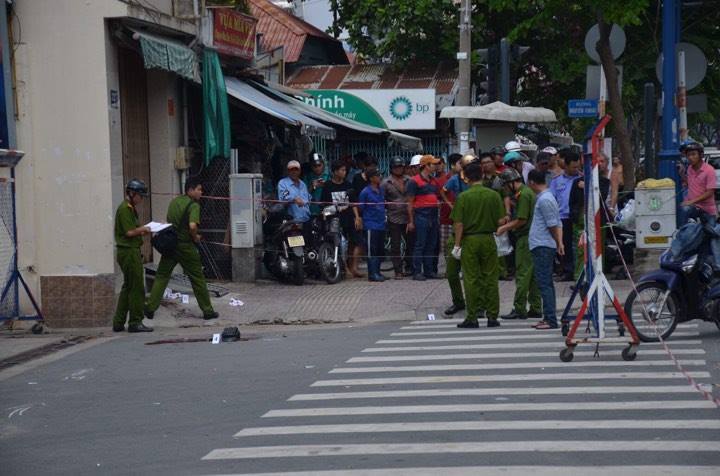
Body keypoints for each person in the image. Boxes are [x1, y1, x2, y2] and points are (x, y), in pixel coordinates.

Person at [145, 178, 219, 321]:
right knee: (197, 278)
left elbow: (169, 222)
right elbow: (192, 226)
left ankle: (150, 308)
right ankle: (208, 311)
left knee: (161, 276)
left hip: (171, 246)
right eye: (198, 189)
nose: (201, 192)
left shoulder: (174, 202)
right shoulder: (194, 206)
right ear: (190, 190)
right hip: (186, 247)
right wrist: (195, 236)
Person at [451, 161, 506, 328]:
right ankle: (492, 316)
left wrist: (457, 245)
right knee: (490, 277)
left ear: (466, 178)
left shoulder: (463, 197)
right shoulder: (493, 195)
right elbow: (501, 220)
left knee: (471, 278)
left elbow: (459, 224)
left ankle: (473, 316)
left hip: (470, 240)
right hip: (489, 239)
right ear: (482, 175)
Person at [497, 168, 542, 320]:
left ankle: (519, 308)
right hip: (533, 237)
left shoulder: (523, 195)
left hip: (525, 238)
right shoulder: (527, 193)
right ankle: (536, 307)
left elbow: (521, 220)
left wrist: (504, 228)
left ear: (511, 183)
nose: (504, 189)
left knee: (522, 274)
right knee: (533, 275)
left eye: (505, 186)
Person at [113, 179, 153, 333]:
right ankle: (135, 321)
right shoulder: (125, 209)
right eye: (140, 196)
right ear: (132, 193)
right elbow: (129, 232)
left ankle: (119, 321)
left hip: (129, 250)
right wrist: (145, 228)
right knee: (136, 287)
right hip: (128, 251)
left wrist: (143, 230)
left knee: (127, 287)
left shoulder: (130, 208)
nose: (141, 199)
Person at [527, 170, 565, 329]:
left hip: (543, 245)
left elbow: (552, 224)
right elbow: (557, 222)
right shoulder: (546, 198)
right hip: (542, 244)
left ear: (531, 183)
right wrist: (559, 242)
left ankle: (550, 319)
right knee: (544, 282)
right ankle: (547, 316)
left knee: (545, 283)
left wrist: (558, 243)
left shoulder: (545, 200)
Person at [440, 154, 474, 316]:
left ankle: (475, 303)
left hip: (473, 230)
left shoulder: (479, 181)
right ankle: (458, 301)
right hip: (457, 228)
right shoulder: (456, 179)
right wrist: (451, 205)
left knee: (472, 273)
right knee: (452, 273)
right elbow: (444, 191)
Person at [320, 160, 364, 277]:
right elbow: (324, 204)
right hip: (334, 219)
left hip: (349, 217)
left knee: (357, 241)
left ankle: (353, 267)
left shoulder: (348, 185)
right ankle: (344, 268)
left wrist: (357, 217)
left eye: (345, 170)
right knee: (339, 244)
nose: (344, 172)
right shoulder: (328, 186)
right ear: (335, 171)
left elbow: (353, 202)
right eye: (342, 170)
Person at [408, 155, 442, 280]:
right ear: (426, 166)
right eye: (433, 164)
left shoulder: (433, 181)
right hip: (421, 215)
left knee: (431, 244)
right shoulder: (414, 181)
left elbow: (436, 196)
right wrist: (411, 221)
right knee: (420, 245)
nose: (435, 166)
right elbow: (410, 202)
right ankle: (417, 272)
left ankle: (428, 271)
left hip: (433, 215)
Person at [549, 150, 581, 281]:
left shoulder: (582, 179)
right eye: (573, 167)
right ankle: (568, 271)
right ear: (566, 166)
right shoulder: (557, 181)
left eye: (578, 166)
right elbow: (552, 199)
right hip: (563, 217)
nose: (576, 169)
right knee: (565, 245)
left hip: (577, 217)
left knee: (578, 245)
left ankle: (578, 271)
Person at [382, 156, 413, 278]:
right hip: (393, 217)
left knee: (411, 243)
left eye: (400, 166)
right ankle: (398, 270)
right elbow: (381, 199)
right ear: (391, 168)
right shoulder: (386, 182)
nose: (399, 169)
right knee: (395, 245)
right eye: (396, 167)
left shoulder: (409, 180)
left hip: (408, 216)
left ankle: (409, 267)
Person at [358, 168, 387, 282]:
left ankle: (378, 272)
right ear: (371, 178)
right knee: (372, 250)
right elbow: (361, 208)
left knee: (380, 249)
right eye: (377, 175)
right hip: (371, 225)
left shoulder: (380, 190)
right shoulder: (365, 192)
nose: (380, 177)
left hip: (381, 224)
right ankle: (372, 273)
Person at [679, 141, 716, 225]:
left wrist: (691, 201)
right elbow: (690, 184)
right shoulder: (689, 169)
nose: (690, 157)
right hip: (693, 208)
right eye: (688, 155)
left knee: (713, 236)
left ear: (701, 155)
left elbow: (710, 192)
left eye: (693, 154)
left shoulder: (709, 170)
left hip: (707, 209)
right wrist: (682, 175)